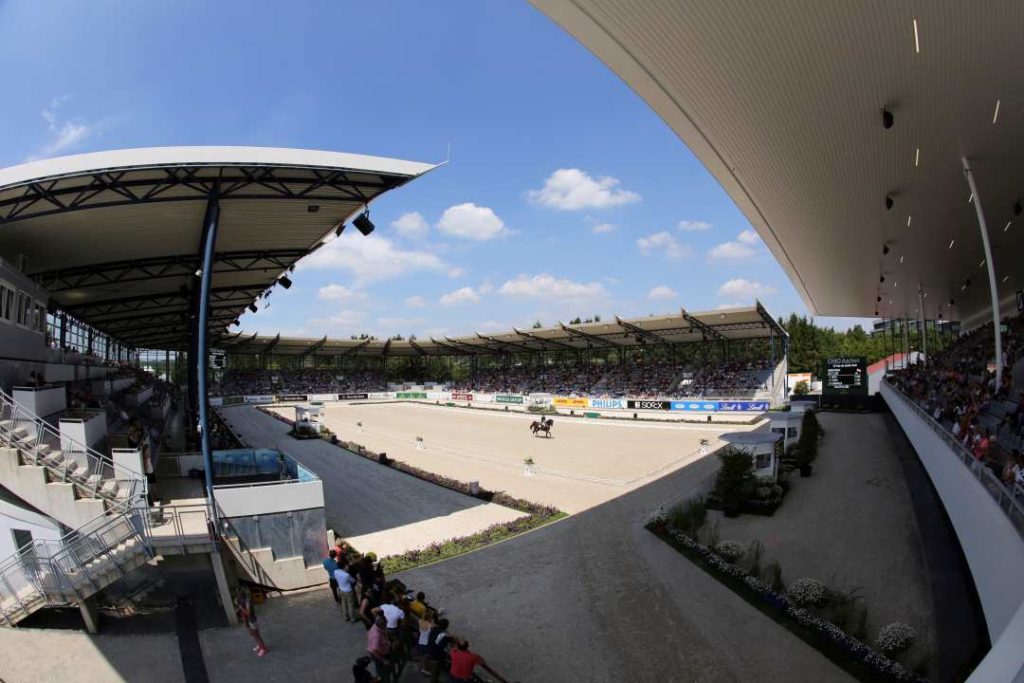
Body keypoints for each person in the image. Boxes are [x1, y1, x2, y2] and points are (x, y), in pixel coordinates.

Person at [234, 588, 267, 657]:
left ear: (242, 594)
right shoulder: (241, 600)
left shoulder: (248, 601)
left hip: (252, 620)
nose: (237, 596)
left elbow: (248, 613)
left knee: (257, 635)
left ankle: (263, 648)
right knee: (252, 634)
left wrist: (240, 607)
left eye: (238, 594)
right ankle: (259, 645)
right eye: (237, 594)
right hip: (247, 621)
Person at [424, 617, 451, 683]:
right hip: (436, 658)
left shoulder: (433, 629)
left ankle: (426, 670)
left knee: (433, 670)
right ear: (446, 626)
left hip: (428, 652)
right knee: (435, 674)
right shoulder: (443, 635)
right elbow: (443, 647)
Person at [366, 616, 391, 683]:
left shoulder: (375, 626)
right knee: (382, 672)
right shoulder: (376, 635)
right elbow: (374, 650)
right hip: (379, 655)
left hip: (380, 651)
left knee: (382, 669)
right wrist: (383, 660)